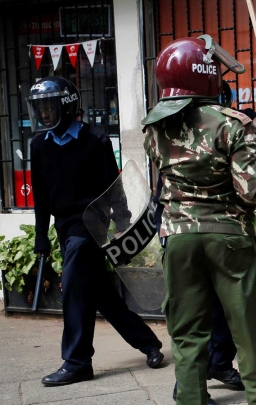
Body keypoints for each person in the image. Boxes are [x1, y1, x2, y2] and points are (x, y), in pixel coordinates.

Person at [143, 36, 256, 405]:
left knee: (187, 336)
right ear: (206, 75)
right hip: (229, 239)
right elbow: (252, 189)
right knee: (248, 335)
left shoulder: (153, 127)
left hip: (178, 238)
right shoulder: (231, 124)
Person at [28, 76, 164, 387]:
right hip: (65, 228)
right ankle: (150, 344)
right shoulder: (39, 145)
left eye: (49, 106)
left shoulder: (96, 141)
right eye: (40, 108)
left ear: (66, 106)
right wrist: (40, 240)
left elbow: (114, 190)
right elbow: (40, 197)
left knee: (75, 289)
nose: (44, 113)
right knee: (100, 294)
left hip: (90, 228)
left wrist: (125, 226)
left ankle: (77, 361)